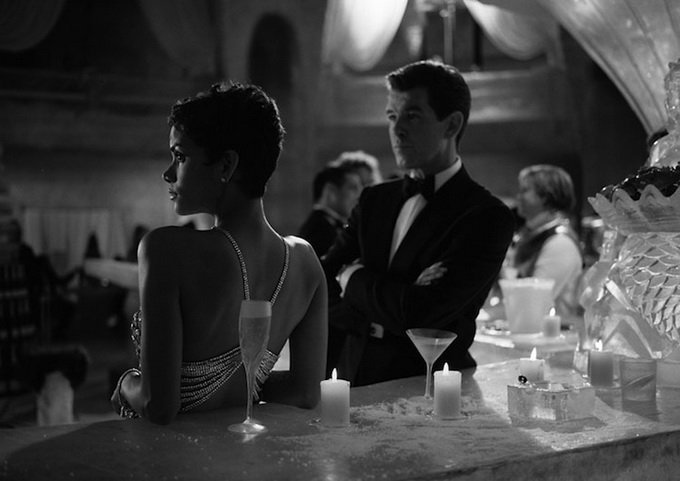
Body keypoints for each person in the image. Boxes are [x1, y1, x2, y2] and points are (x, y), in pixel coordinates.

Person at [111, 82, 327, 424]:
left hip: (174, 454)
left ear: (226, 165)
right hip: (244, 451)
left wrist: (126, 384)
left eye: (180, 156)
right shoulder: (305, 261)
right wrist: (243, 385)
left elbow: (157, 406)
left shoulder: (166, 249)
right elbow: (305, 393)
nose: (168, 173)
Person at [321, 60, 515, 386]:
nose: (397, 130)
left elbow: (423, 315)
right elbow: (323, 281)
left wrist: (351, 276)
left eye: (412, 116)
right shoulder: (374, 199)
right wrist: (394, 302)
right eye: (392, 116)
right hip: (354, 375)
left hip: (434, 385)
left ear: (451, 125)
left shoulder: (486, 215)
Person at [510, 164, 583, 319]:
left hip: (553, 332)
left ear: (546, 196)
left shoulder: (560, 243)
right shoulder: (532, 235)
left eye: (525, 190)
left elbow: (534, 303)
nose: (518, 197)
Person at [297, 165, 363, 258]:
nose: (359, 195)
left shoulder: (325, 226)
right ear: (331, 191)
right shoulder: (319, 231)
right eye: (353, 188)